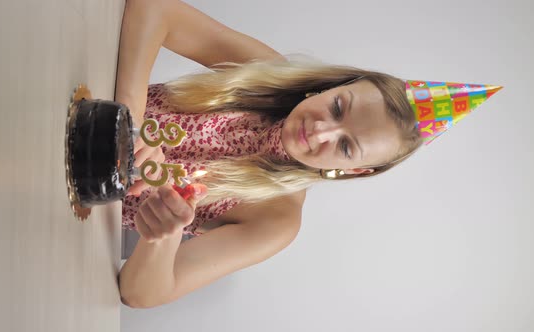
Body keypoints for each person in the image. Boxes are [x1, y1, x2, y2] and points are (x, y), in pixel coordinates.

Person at [116, 0, 501, 308]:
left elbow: (141, 294)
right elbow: (155, 8)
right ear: (333, 87)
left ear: (356, 171)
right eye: (338, 108)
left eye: (345, 146)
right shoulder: (264, 73)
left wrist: (162, 237)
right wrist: (126, 121)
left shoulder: (276, 220)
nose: (321, 131)